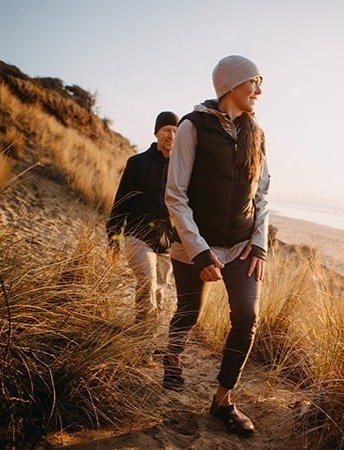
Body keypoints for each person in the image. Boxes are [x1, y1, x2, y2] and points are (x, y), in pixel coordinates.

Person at [164, 55, 269, 437]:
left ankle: (223, 401)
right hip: (196, 244)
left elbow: (263, 194)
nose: (260, 90)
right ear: (230, 85)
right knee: (189, 311)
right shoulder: (192, 127)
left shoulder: (256, 133)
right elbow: (175, 196)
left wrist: (259, 245)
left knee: (247, 317)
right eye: (254, 82)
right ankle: (173, 357)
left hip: (241, 245)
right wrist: (200, 251)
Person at [107, 111, 180, 324]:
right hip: (137, 237)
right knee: (147, 283)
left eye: (176, 131)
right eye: (167, 130)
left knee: (159, 291)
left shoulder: (181, 168)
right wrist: (113, 239)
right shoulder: (137, 163)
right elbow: (121, 202)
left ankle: (147, 338)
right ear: (156, 132)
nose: (172, 135)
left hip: (165, 243)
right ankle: (143, 344)